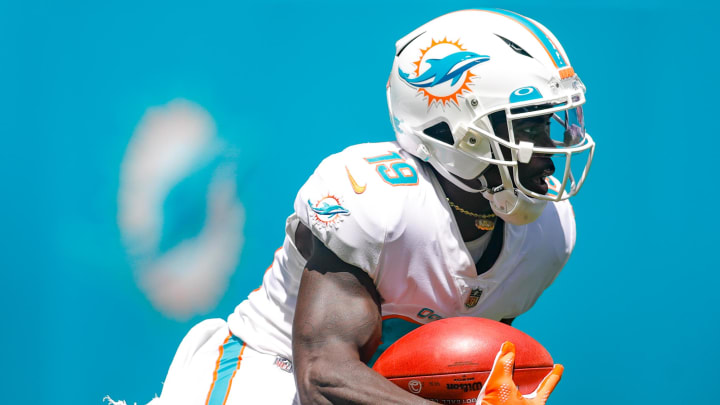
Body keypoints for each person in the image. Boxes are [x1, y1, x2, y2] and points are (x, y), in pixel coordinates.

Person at [138, 8, 595, 405]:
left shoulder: (548, 236)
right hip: (271, 370)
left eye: (553, 124)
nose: (553, 149)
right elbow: (323, 377)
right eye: (530, 128)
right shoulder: (378, 198)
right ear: (459, 131)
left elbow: (458, 364)